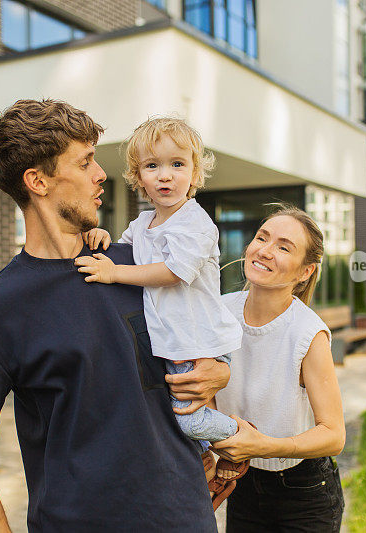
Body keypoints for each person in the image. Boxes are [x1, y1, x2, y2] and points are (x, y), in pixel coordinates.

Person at [0, 99, 228, 532]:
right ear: (38, 181)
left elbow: (201, 340)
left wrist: (217, 374)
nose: (102, 175)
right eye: (86, 163)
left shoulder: (139, 266)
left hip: (186, 518)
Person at [77, 117, 248, 507]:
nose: (165, 176)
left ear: (195, 172)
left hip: (197, 341)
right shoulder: (142, 223)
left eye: (177, 164)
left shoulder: (195, 223)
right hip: (173, 343)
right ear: (138, 177)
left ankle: (241, 435)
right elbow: (122, 250)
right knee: (175, 419)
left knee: (188, 420)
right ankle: (211, 455)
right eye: (152, 166)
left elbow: (172, 272)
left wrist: (113, 271)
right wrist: (102, 238)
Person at [210, 205, 346, 532]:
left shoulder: (307, 334)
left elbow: (334, 435)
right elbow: (207, 390)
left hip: (304, 494)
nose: (265, 251)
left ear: (305, 272)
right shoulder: (218, 311)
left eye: (284, 247)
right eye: (262, 238)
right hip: (243, 482)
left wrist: (266, 446)